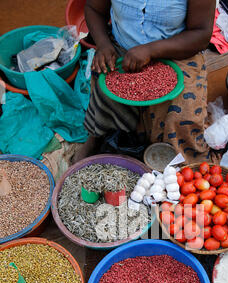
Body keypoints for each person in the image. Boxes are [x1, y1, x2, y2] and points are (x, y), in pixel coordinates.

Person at [74, 0, 215, 163]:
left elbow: (201, 34)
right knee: (105, 80)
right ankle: (97, 135)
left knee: (183, 109)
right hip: (122, 49)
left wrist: (151, 50)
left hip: (176, 52)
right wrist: (103, 45)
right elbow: (93, 9)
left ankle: (175, 162)